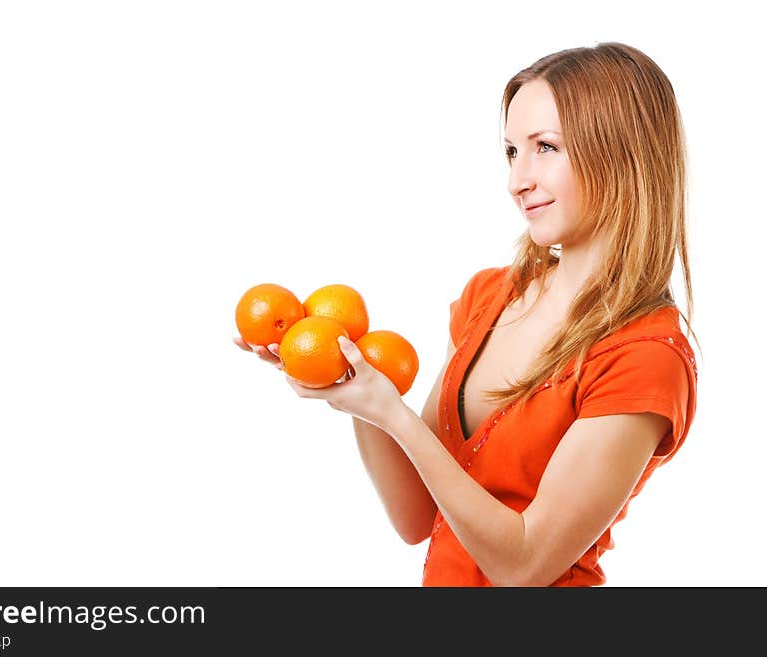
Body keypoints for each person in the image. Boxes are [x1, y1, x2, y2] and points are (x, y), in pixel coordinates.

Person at [234, 41, 700, 587]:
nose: (516, 180)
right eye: (510, 152)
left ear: (624, 153)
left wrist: (392, 413)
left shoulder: (646, 358)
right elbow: (414, 515)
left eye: (545, 147)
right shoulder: (490, 296)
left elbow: (522, 566)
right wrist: (352, 389)